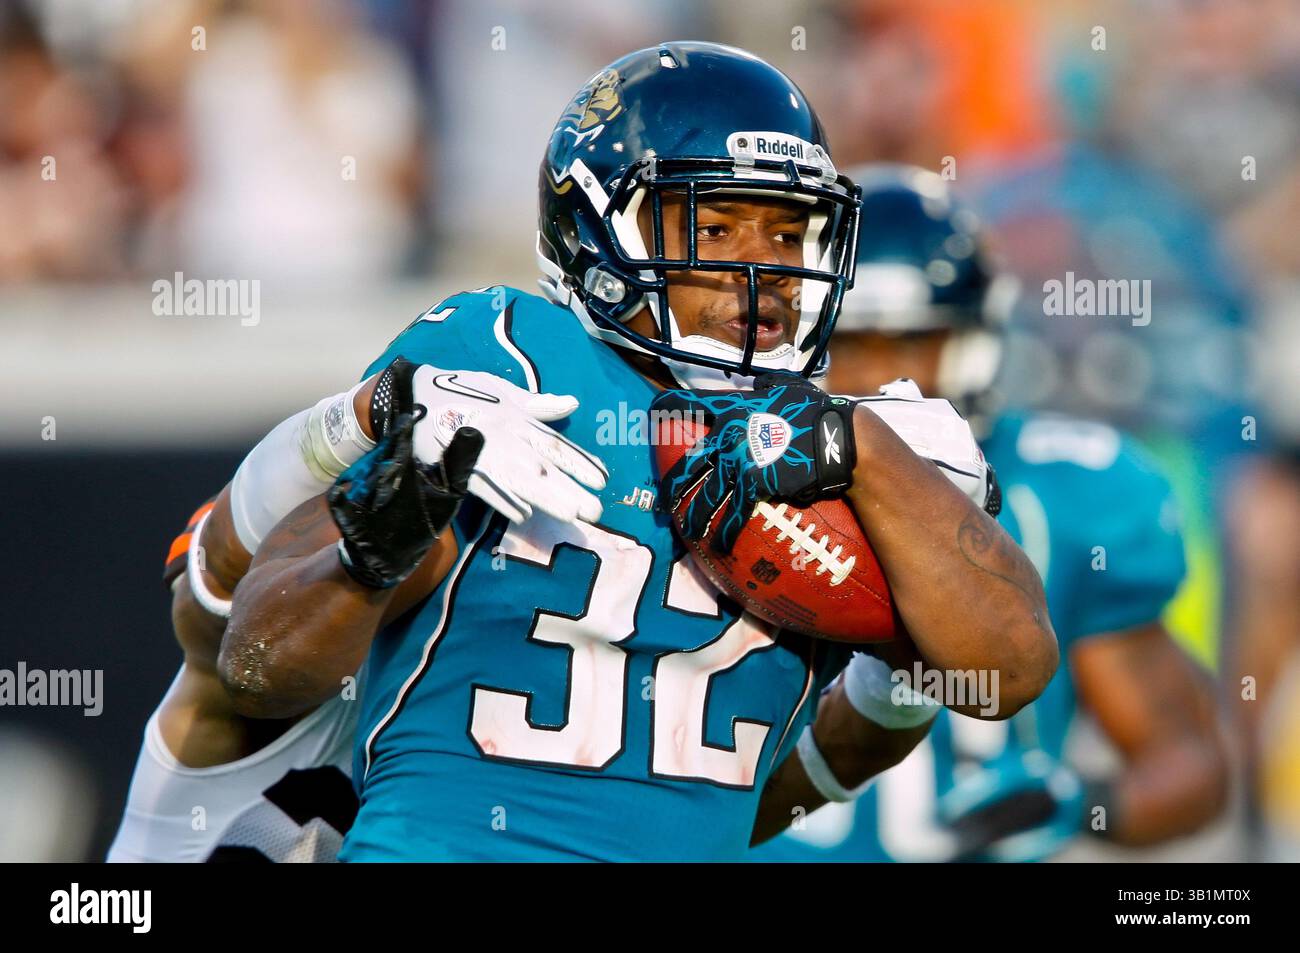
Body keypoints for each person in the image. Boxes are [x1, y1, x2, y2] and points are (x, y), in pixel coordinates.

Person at [216, 44, 1056, 862]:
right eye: (716, 226)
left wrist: (861, 448)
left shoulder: (841, 438)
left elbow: (1010, 668)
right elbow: (257, 664)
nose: (762, 266)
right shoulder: (511, 357)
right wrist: (371, 548)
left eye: (787, 232)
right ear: (596, 229)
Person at [751, 165, 1227, 862]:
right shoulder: (730, 477)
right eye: (850, 343)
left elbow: (1189, 763)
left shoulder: (1065, 490)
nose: (882, 379)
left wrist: (1081, 805)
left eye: (911, 343)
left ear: (977, 340)